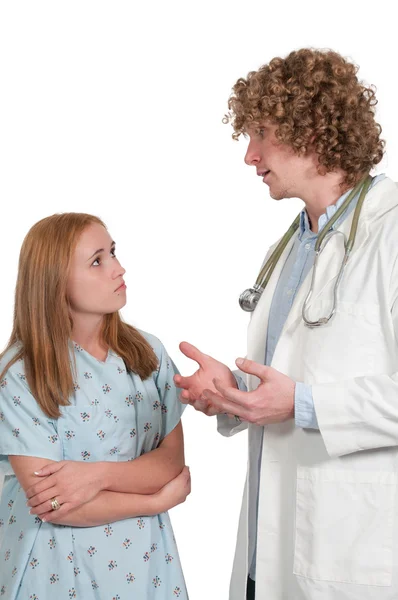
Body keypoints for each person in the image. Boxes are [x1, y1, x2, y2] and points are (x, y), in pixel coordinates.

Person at [174, 48, 398, 600]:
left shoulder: (389, 235)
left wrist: (303, 405)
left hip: (350, 556)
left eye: (261, 133)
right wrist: (235, 393)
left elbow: (305, 396)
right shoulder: (296, 245)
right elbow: (295, 379)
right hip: (264, 557)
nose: (249, 155)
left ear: (311, 130)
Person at [0, 213, 190, 600]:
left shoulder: (147, 354)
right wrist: (154, 500)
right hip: (54, 565)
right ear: (55, 280)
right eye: (97, 260)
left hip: (146, 560)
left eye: (114, 253)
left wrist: (94, 477)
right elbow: (54, 505)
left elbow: (170, 464)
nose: (119, 268)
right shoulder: (21, 374)